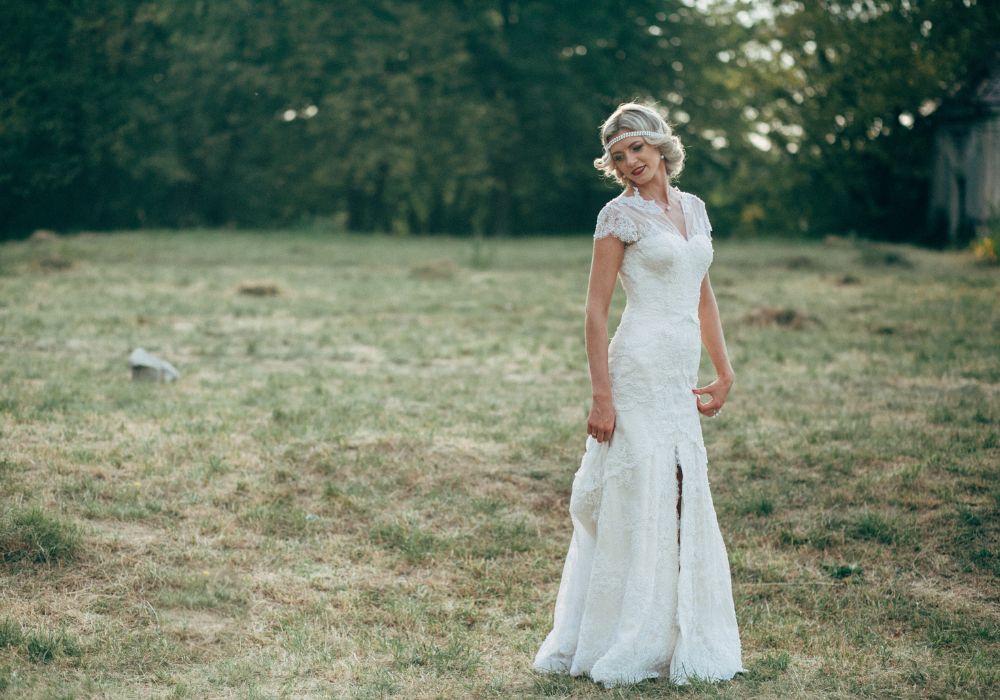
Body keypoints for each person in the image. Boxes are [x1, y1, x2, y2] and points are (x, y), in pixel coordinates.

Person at [533, 102, 745, 688]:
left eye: (637, 149)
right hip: (636, 368)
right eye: (618, 155)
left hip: (678, 373)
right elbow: (595, 311)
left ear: (660, 146)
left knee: (678, 492)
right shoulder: (617, 216)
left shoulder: (694, 208)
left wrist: (724, 370)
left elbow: (703, 296)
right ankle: (624, 633)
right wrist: (601, 397)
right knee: (639, 490)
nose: (630, 162)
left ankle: (675, 629)